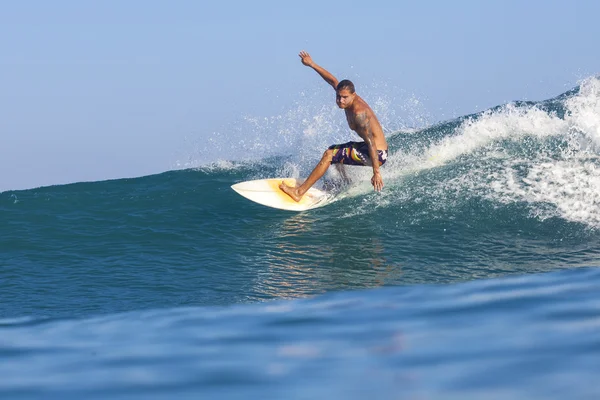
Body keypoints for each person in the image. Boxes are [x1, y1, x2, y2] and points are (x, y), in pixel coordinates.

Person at [279, 51, 388, 202]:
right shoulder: (344, 95)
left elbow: (371, 142)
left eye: (345, 98)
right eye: (338, 96)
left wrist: (376, 172)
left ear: (353, 95)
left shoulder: (359, 114)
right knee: (336, 151)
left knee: (330, 154)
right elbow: (332, 80)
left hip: (377, 154)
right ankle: (345, 181)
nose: (340, 101)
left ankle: (299, 192)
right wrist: (311, 64)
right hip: (370, 149)